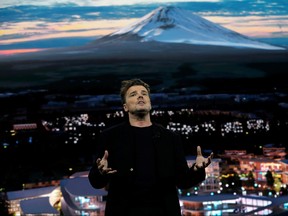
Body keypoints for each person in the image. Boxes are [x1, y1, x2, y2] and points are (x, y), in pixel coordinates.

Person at [88, 78, 213, 216]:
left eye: (144, 93)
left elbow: (182, 181)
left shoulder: (170, 138)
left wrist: (197, 169)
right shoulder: (110, 137)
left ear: (150, 103)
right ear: (125, 107)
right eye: (133, 94)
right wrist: (100, 173)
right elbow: (95, 182)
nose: (140, 96)